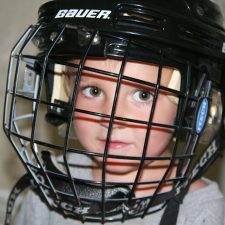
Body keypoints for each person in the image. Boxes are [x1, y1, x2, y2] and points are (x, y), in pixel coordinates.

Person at [3, 0, 225, 225]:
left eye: (143, 95)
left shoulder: (202, 216)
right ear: (64, 95)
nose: (111, 118)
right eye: (94, 90)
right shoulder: (50, 190)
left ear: (190, 106)